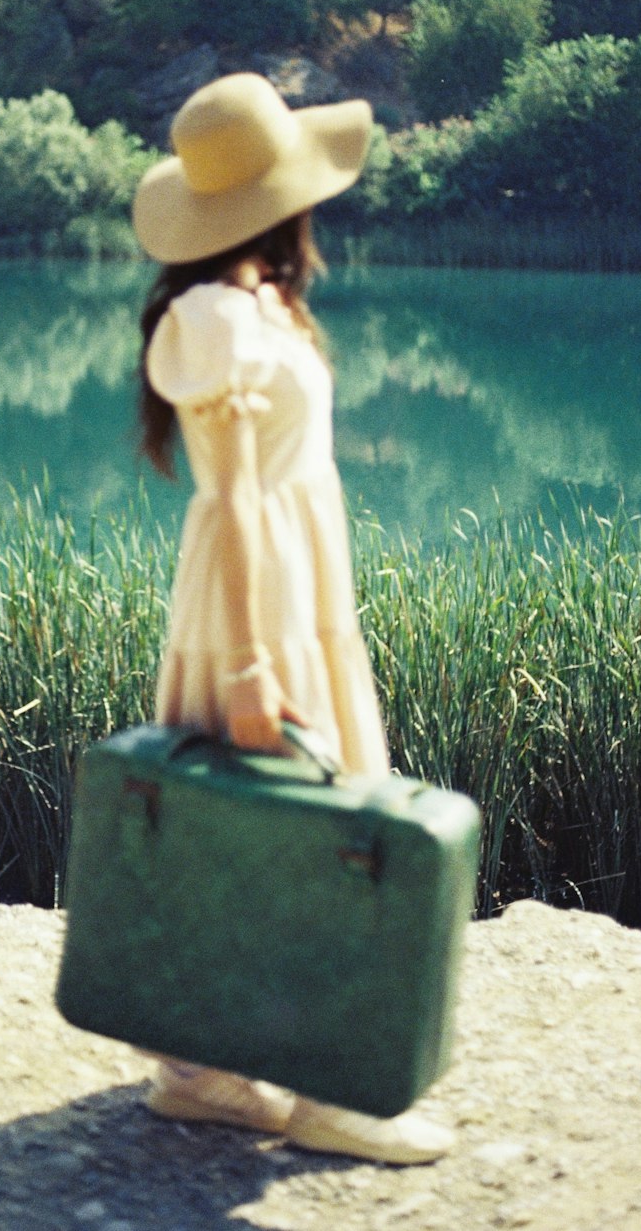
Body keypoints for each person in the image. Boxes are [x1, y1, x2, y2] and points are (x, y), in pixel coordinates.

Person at [133, 72, 452, 1165]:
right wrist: (253, 664)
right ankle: (313, 1087)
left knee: (264, 822)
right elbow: (227, 499)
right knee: (298, 832)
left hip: (292, 579)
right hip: (254, 593)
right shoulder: (214, 317)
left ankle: (204, 1070)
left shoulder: (253, 300)